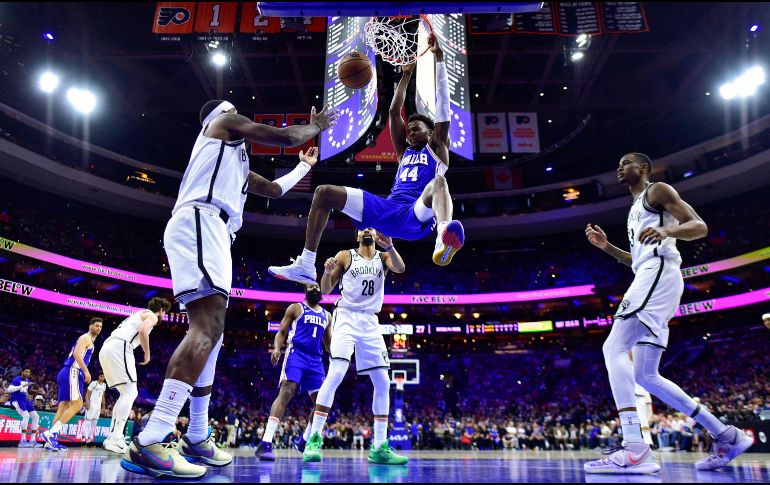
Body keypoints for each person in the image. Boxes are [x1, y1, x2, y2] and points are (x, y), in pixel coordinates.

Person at [121, 99, 338, 479]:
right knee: (205, 328)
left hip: (215, 231)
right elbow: (284, 136)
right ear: (220, 115)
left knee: (214, 335)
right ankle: (153, 438)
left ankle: (199, 434)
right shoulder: (222, 125)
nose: (240, 119)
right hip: (201, 220)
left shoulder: (233, 162)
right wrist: (316, 125)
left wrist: (304, 166)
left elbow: (271, 189)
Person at [584, 152, 753, 474]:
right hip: (649, 274)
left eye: (626, 163)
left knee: (613, 347)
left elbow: (699, 227)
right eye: (617, 164)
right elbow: (636, 260)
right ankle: (726, 434)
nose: (619, 167)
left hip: (658, 274)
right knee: (646, 375)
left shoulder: (656, 191)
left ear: (643, 168)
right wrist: (607, 247)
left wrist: (668, 232)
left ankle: (635, 448)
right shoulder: (634, 210)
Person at [269, 35, 464, 286]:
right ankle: (306, 264)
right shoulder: (404, 153)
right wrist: (405, 75)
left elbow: (443, 110)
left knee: (439, 183)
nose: (411, 131)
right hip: (388, 211)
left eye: (417, 129)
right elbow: (394, 113)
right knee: (324, 192)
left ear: (431, 133)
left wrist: (438, 57)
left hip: (416, 216)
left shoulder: (436, 148)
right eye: (410, 129)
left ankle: (443, 236)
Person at [301, 228, 408, 465]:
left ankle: (379, 446)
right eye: (363, 228)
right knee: (336, 373)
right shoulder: (345, 256)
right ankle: (314, 439)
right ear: (357, 235)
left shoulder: (384, 257)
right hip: (347, 318)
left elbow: (401, 268)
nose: (367, 230)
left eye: (371, 226)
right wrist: (327, 273)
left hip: (370, 321)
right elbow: (326, 289)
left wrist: (390, 245)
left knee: (382, 381)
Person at [255, 284, 332, 461]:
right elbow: (281, 331)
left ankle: (304, 440)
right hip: (296, 354)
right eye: (311, 286)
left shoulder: (327, 315)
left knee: (322, 403)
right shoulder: (296, 308)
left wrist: (339, 356)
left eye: (317, 286)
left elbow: (328, 344)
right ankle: (265, 442)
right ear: (305, 292)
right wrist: (276, 349)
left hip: (316, 360)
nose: (314, 288)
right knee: (286, 394)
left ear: (321, 292)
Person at [99, 297, 171, 453]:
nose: (163, 316)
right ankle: (117, 437)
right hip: (120, 346)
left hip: (107, 347)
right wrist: (147, 353)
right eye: (164, 313)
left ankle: (112, 437)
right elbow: (143, 331)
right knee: (131, 392)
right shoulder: (151, 315)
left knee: (125, 393)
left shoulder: (138, 314)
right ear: (161, 310)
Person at [41, 318, 103, 451]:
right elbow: (76, 354)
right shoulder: (86, 338)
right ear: (90, 326)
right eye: (96, 325)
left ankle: (50, 441)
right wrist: (86, 371)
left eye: (100, 327)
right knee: (78, 404)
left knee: (64, 406)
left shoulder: (90, 341)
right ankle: (51, 433)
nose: (99, 328)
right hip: (72, 371)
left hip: (67, 372)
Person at [8, 368, 43, 447]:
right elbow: (9, 390)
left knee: (36, 416)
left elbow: (29, 391)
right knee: (26, 416)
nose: (27, 373)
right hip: (16, 400)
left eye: (29, 372)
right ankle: (22, 440)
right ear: (22, 372)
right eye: (26, 372)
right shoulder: (17, 379)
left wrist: (36, 391)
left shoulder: (27, 380)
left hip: (24, 400)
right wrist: (22, 385)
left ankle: (32, 440)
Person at [82, 373, 107, 446]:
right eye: (101, 376)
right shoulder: (94, 383)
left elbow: (103, 396)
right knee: (87, 421)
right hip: (92, 404)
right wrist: (87, 402)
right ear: (99, 376)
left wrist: (103, 407)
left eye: (103, 376)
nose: (102, 377)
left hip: (98, 406)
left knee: (94, 422)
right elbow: (88, 393)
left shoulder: (104, 385)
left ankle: (89, 439)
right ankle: (83, 437)